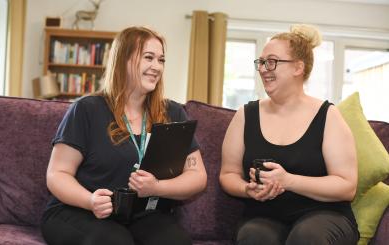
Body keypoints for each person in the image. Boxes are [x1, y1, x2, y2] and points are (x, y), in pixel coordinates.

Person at [41, 26, 207, 245]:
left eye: (161, 60)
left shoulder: (173, 113)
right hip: (82, 211)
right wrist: (90, 201)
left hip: (142, 214)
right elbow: (57, 174)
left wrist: (157, 188)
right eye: (149, 57)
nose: (156, 67)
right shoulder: (87, 109)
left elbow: (197, 176)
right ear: (123, 60)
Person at [220, 24, 359, 245]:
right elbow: (228, 174)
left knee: (306, 237)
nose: (264, 69)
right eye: (262, 62)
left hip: (324, 215)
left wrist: (289, 181)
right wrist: (248, 189)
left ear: (298, 67)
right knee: (253, 237)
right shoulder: (245, 115)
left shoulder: (328, 116)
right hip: (264, 215)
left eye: (272, 61)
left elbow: (346, 186)